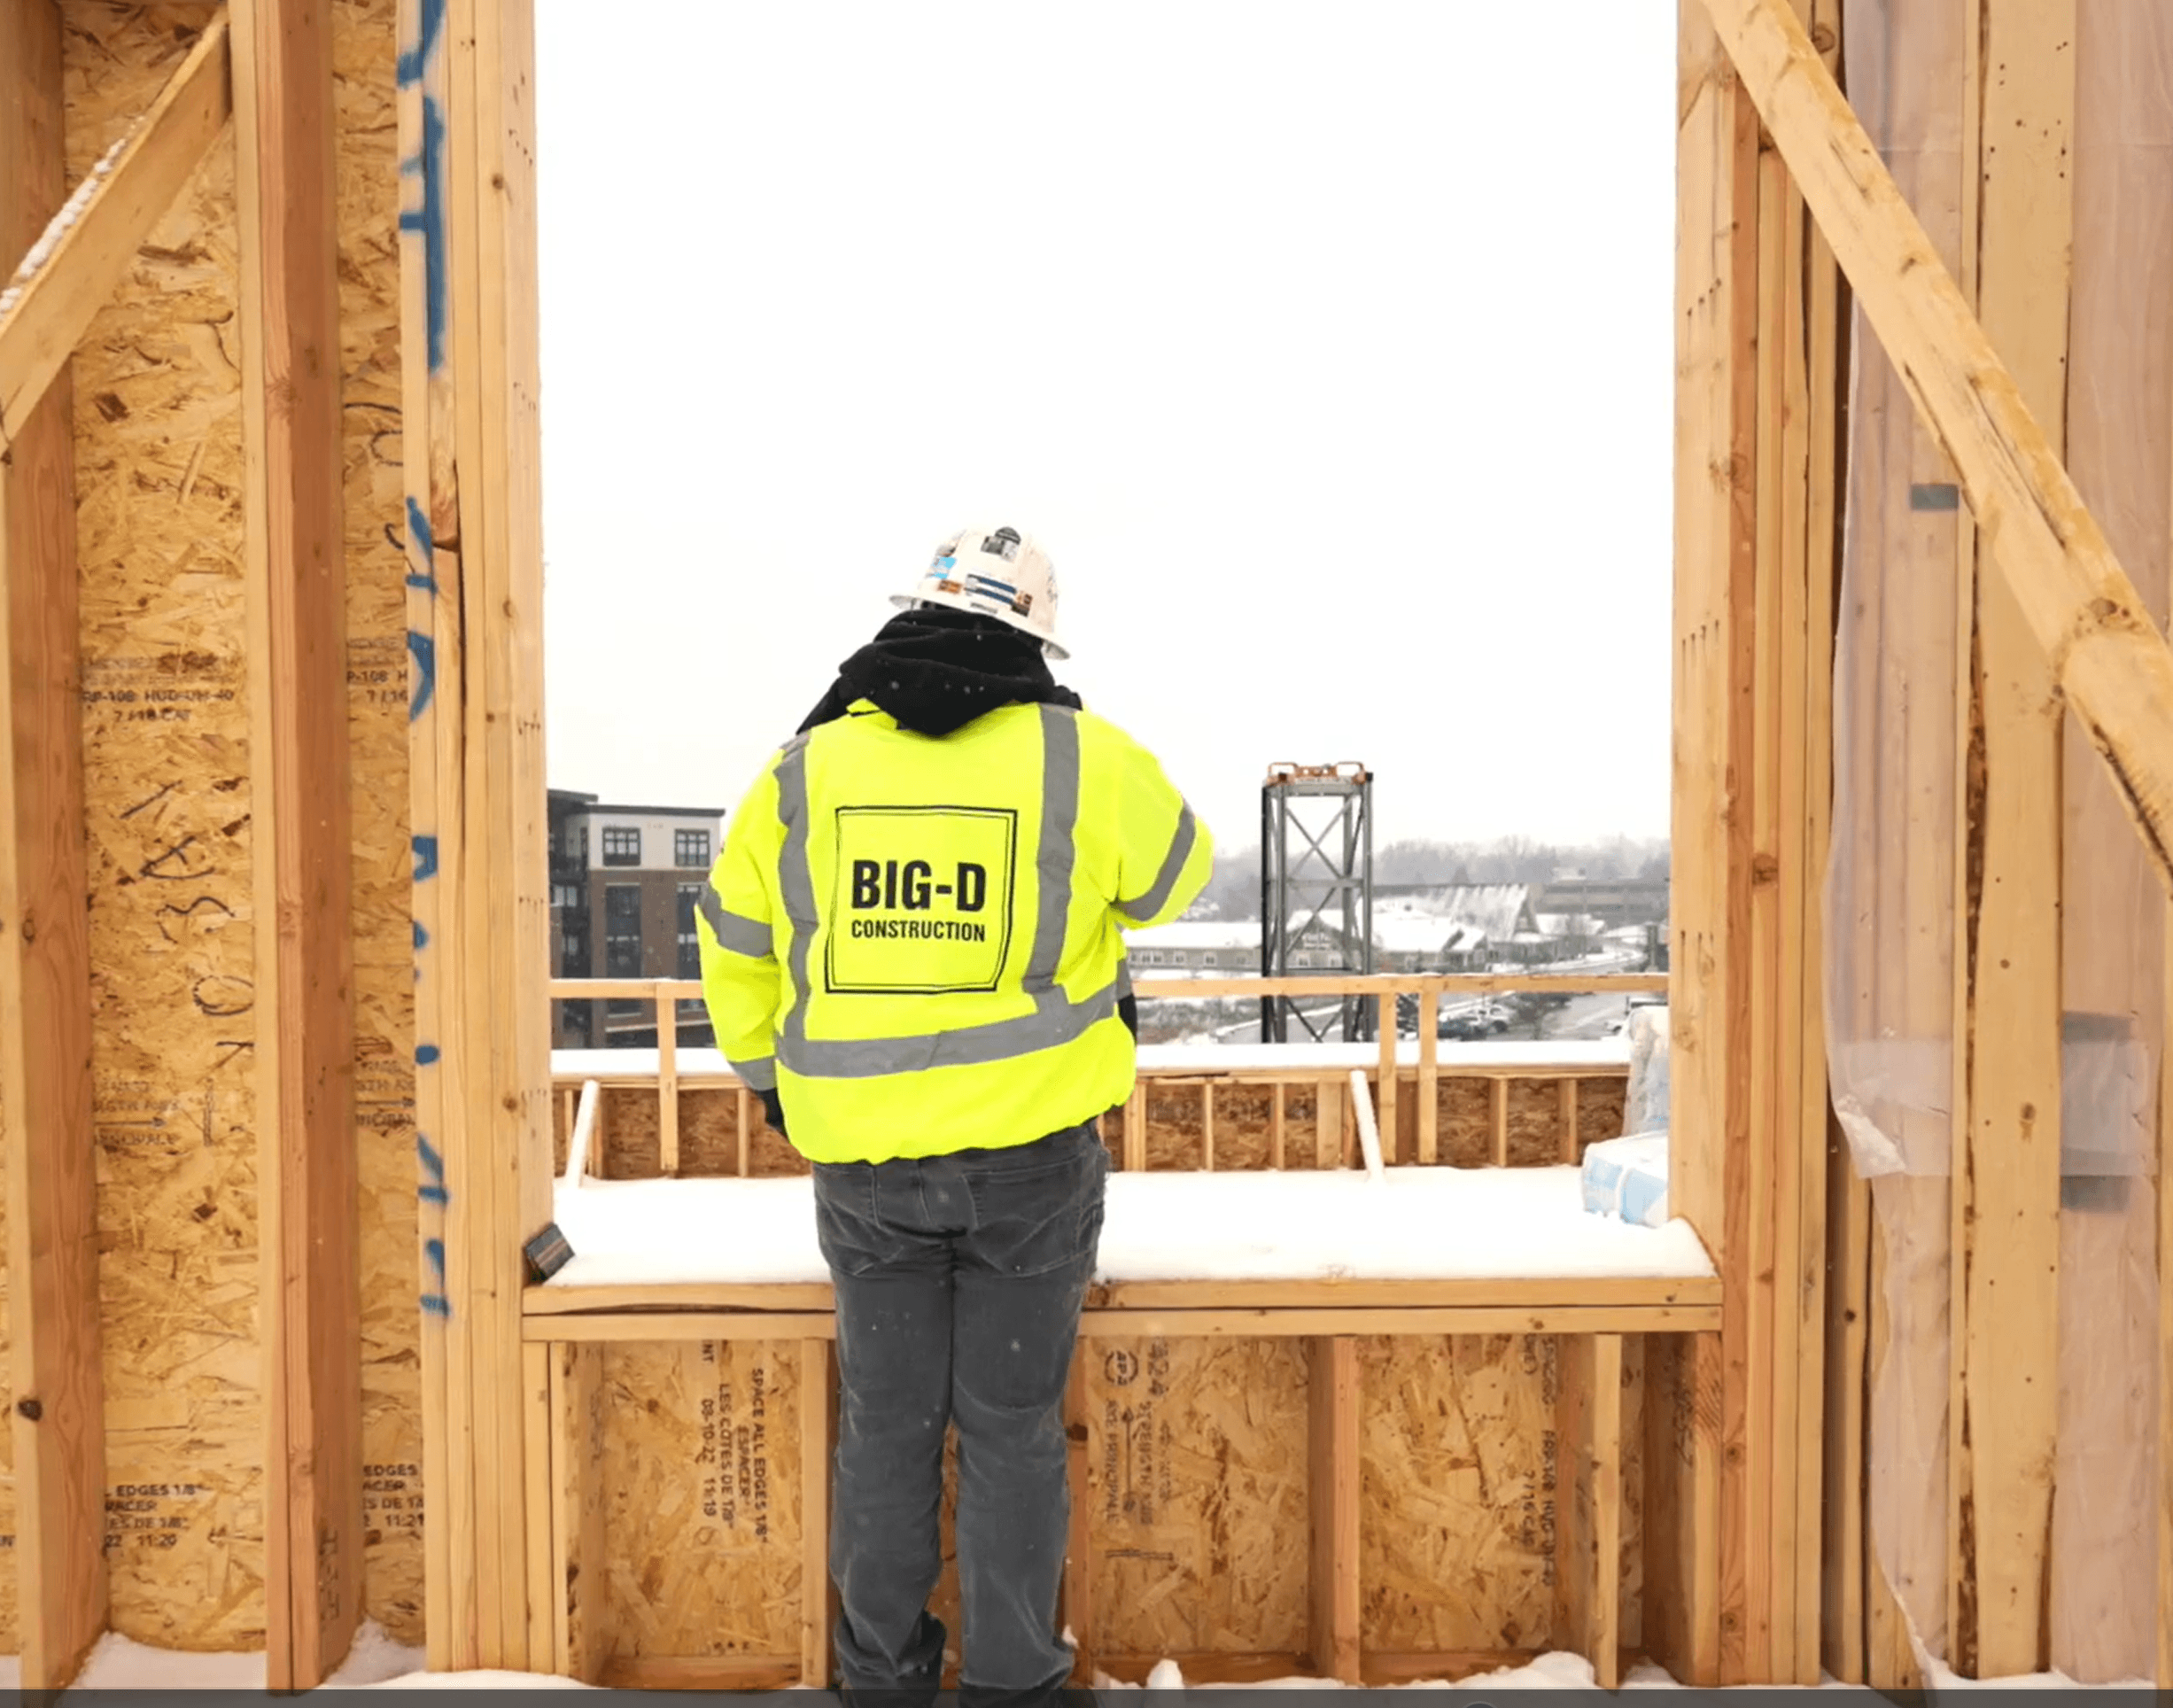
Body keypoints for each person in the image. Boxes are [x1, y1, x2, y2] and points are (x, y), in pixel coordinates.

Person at [696, 524, 1211, 1706]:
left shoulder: (802, 771)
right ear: (1032, 636)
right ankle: (1015, 1680)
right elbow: (1179, 876)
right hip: (1028, 1170)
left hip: (867, 1172)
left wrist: (769, 1079)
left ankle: (880, 1679)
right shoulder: (1079, 758)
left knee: (885, 1434)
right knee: (1011, 1436)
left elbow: (734, 941)